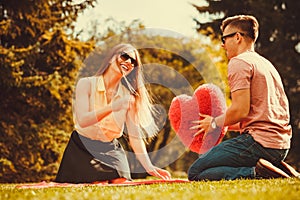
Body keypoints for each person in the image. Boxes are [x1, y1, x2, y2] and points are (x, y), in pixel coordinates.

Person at [188, 15, 299, 181]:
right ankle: (276, 167)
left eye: (224, 38)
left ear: (237, 37)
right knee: (210, 167)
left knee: (195, 172)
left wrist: (213, 123)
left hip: (259, 143)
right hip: (280, 146)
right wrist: (220, 124)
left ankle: (257, 172)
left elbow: (240, 110)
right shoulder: (266, 64)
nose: (222, 44)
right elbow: (256, 114)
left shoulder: (239, 63)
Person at [55, 43, 171, 183]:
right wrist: (113, 106)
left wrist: (149, 166)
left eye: (133, 61)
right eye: (124, 56)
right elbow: (83, 120)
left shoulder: (129, 97)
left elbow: (135, 137)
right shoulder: (85, 84)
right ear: (111, 59)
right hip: (82, 147)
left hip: (111, 149)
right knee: (97, 183)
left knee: (120, 182)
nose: (128, 62)